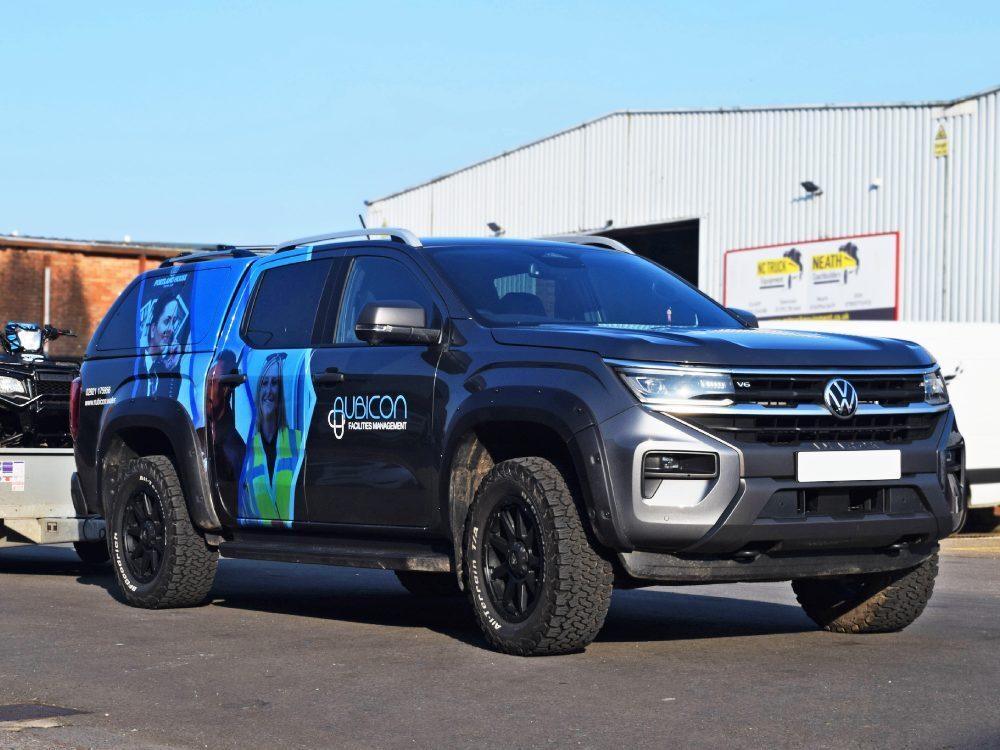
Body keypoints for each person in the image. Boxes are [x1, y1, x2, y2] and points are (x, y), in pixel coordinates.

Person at [239, 352, 301, 524]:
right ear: (258, 391)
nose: (268, 391)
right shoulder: (248, 450)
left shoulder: (298, 440)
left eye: (275, 383)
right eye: (264, 383)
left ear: (281, 391)